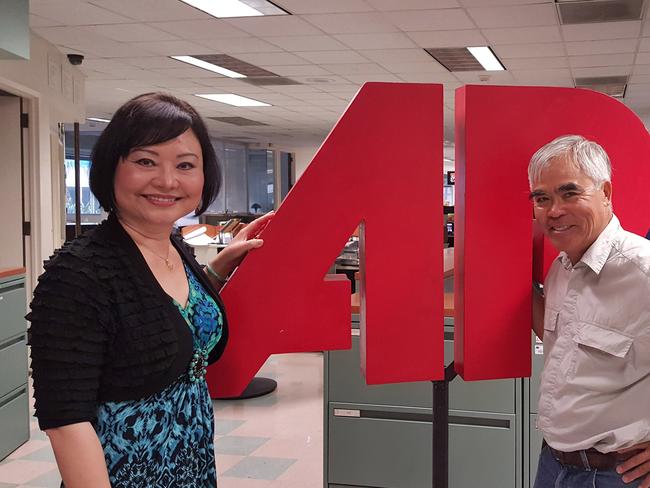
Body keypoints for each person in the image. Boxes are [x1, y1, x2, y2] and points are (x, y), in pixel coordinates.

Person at [27, 92, 273, 488]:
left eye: (185, 165)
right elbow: (66, 421)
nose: (167, 180)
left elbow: (162, 315)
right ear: (111, 169)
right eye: (145, 161)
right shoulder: (78, 272)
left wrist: (219, 266)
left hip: (192, 467)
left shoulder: (175, 246)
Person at [528, 135, 650, 488]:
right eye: (542, 198)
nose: (553, 211)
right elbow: (565, 338)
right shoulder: (561, 270)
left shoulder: (641, 272)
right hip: (553, 464)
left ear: (606, 193)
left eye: (570, 193)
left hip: (619, 475)